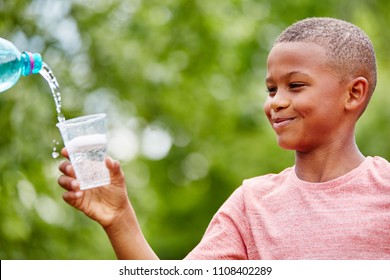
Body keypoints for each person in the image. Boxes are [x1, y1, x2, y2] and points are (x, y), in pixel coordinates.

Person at [57, 17, 390, 259]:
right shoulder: (251, 204)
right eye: (271, 89)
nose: (276, 101)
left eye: (296, 85)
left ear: (353, 94)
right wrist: (119, 219)